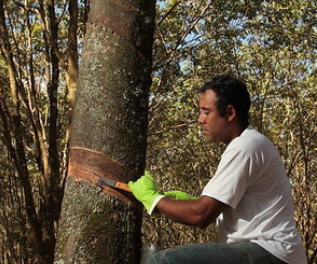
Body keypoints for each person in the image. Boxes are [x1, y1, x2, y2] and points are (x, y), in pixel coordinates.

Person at [129, 75, 307, 264]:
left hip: (271, 252)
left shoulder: (244, 147)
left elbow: (201, 215)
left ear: (230, 113)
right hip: (269, 252)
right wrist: (182, 204)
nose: (200, 120)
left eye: (207, 112)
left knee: (163, 261)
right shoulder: (250, 143)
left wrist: (153, 199)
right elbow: (223, 208)